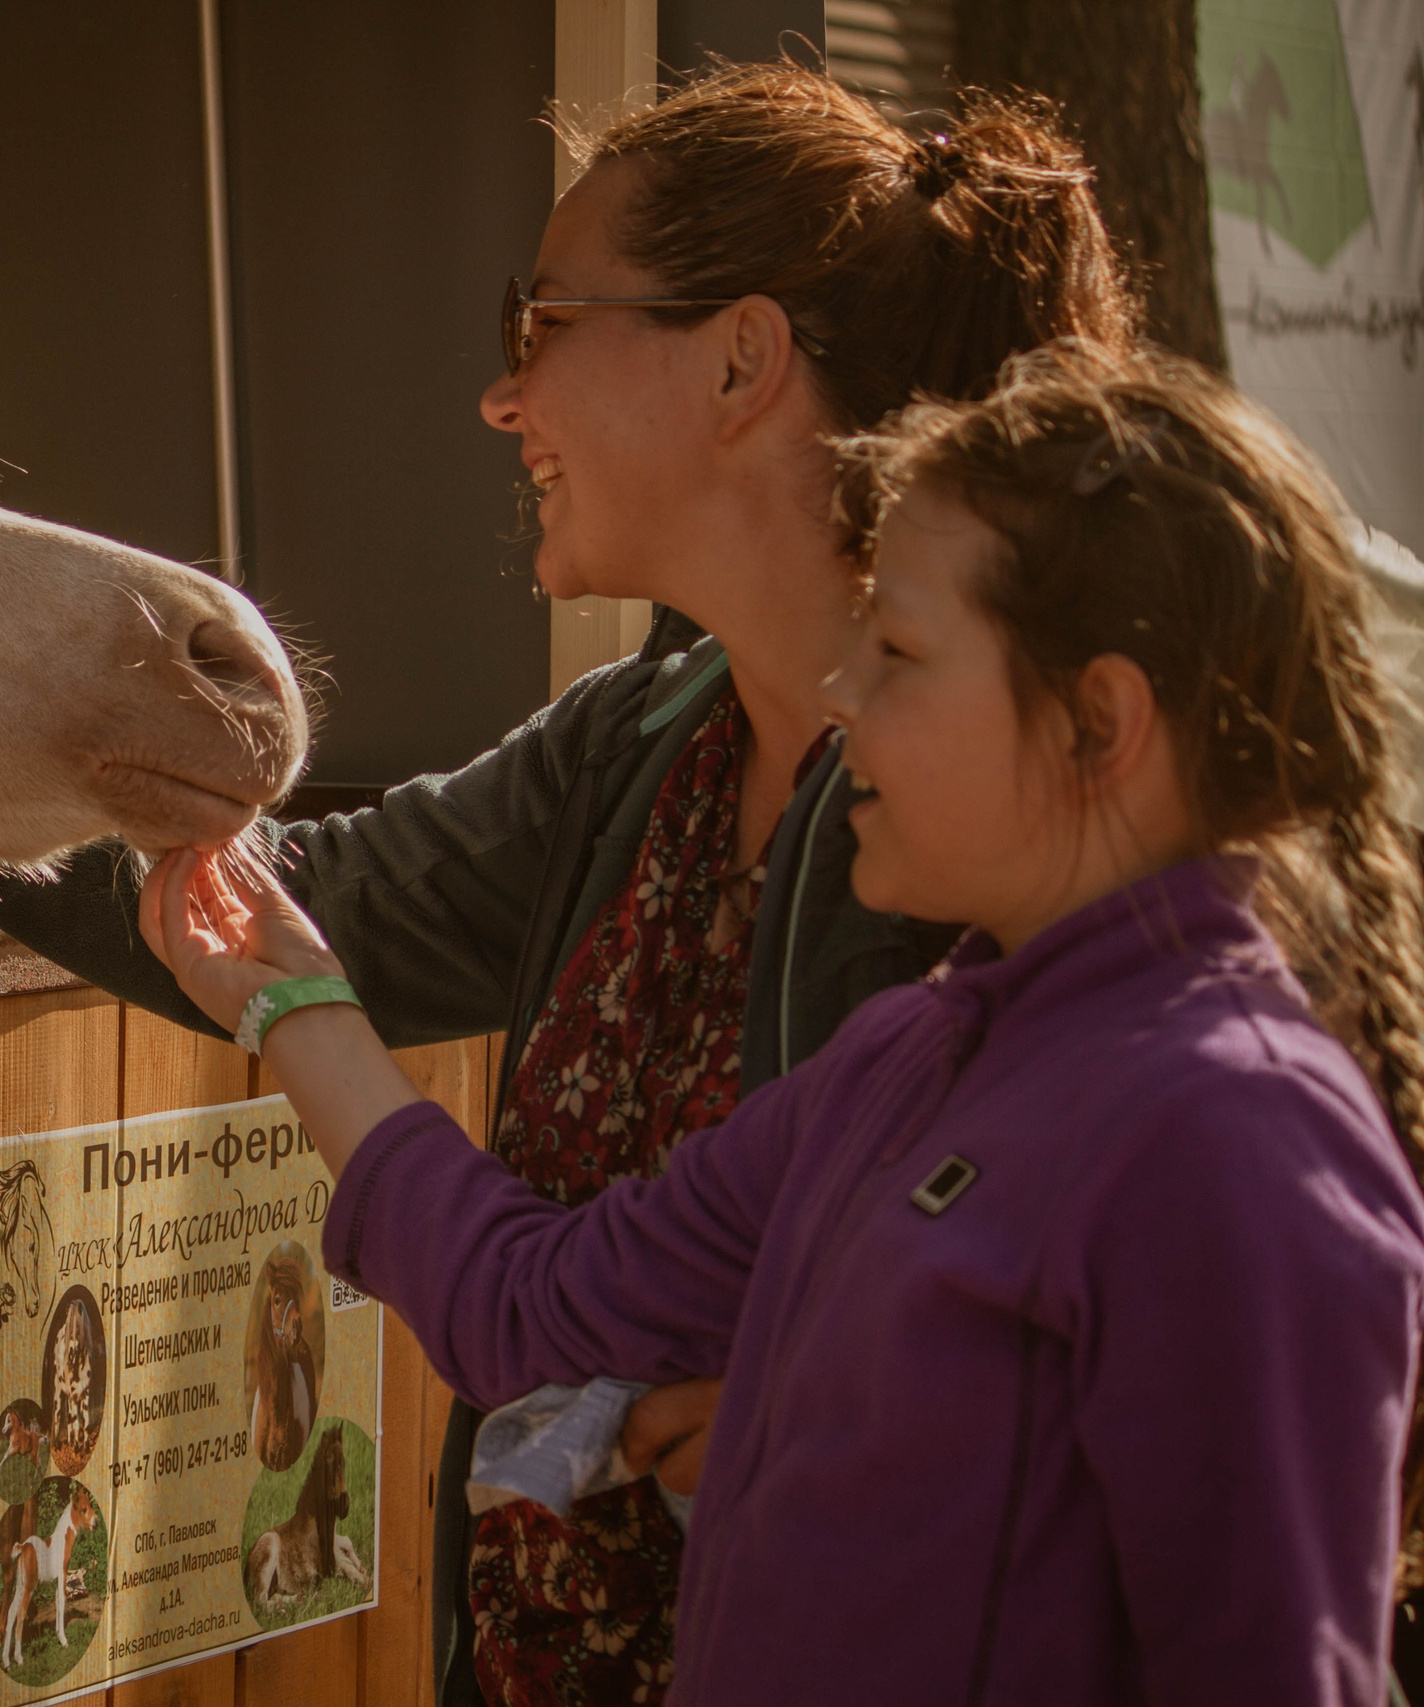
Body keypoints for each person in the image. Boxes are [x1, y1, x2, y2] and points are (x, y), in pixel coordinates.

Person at [0, 62, 1136, 1705]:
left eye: (539, 325)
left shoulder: (1027, 821)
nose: (499, 399)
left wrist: (872, 1410)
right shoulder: (640, 740)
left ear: (739, 361)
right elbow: (286, 920)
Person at [136, 344, 1424, 1706]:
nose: (845, 697)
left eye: (904, 653)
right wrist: (292, 997)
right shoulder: (910, 1060)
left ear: (1100, 722)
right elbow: (534, 1308)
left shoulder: (1237, 1139)